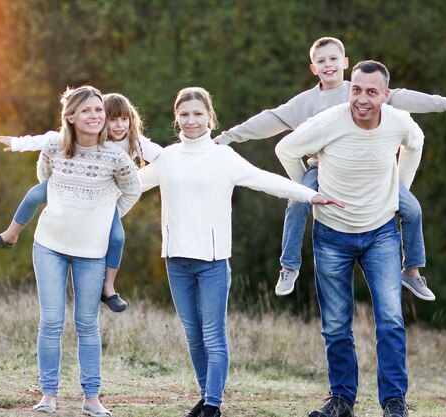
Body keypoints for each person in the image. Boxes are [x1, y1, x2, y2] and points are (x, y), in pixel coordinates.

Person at [214, 36, 446, 301]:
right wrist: (227, 137)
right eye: (321, 61)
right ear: (313, 68)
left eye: (333, 59)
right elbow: (269, 120)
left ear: (345, 63)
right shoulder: (304, 103)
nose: (328, 65)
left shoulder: (363, 90)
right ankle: (289, 266)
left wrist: (444, 104)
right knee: (296, 202)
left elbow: (405, 97)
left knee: (412, 208)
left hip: (374, 170)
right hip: (323, 169)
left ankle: (412, 270)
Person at [136, 87, 344, 417]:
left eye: (198, 114)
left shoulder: (223, 157)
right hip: (176, 259)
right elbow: (131, 185)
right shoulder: (167, 158)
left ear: (210, 118)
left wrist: (310, 195)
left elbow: (266, 180)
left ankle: (214, 405)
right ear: (176, 118)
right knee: (193, 336)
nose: (192, 120)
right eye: (185, 114)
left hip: (213, 262)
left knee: (213, 335)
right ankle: (206, 396)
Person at [276, 60, 422, 417]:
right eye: (356, 89)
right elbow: (285, 149)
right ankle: (341, 400)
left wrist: (400, 187)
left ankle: (393, 402)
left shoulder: (399, 122)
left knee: (390, 321)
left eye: (372, 92)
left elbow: (416, 143)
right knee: (336, 325)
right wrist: (311, 193)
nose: (362, 99)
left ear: (386, 96)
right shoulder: (328, 122)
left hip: (381, 236)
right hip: (331, 237)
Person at [0, 93, 160, 313]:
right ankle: (10, 234)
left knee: (117, 237)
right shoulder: (94, 133)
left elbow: (166, 157)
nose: (119, 125)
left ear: (131, 120)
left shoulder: (136, 142)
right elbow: (48, 139)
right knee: (34, 195)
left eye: (124, 119)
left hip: (101, 201)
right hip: (67, 182)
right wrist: (19, 144)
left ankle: (108, 286)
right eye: (113, 119)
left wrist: (200, 151)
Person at [26, 86, 141, 415]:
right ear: (71, 117)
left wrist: (106, 215)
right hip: (49, 245)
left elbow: (131, 191)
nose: (95, 116)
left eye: (98, 110)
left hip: (92, 251)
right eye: (87, 110)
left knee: (87, 324)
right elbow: (44, 180)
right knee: (50, 322)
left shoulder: (115, 156)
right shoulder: (54, 148)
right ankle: (48, 396)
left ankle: (92, 399)